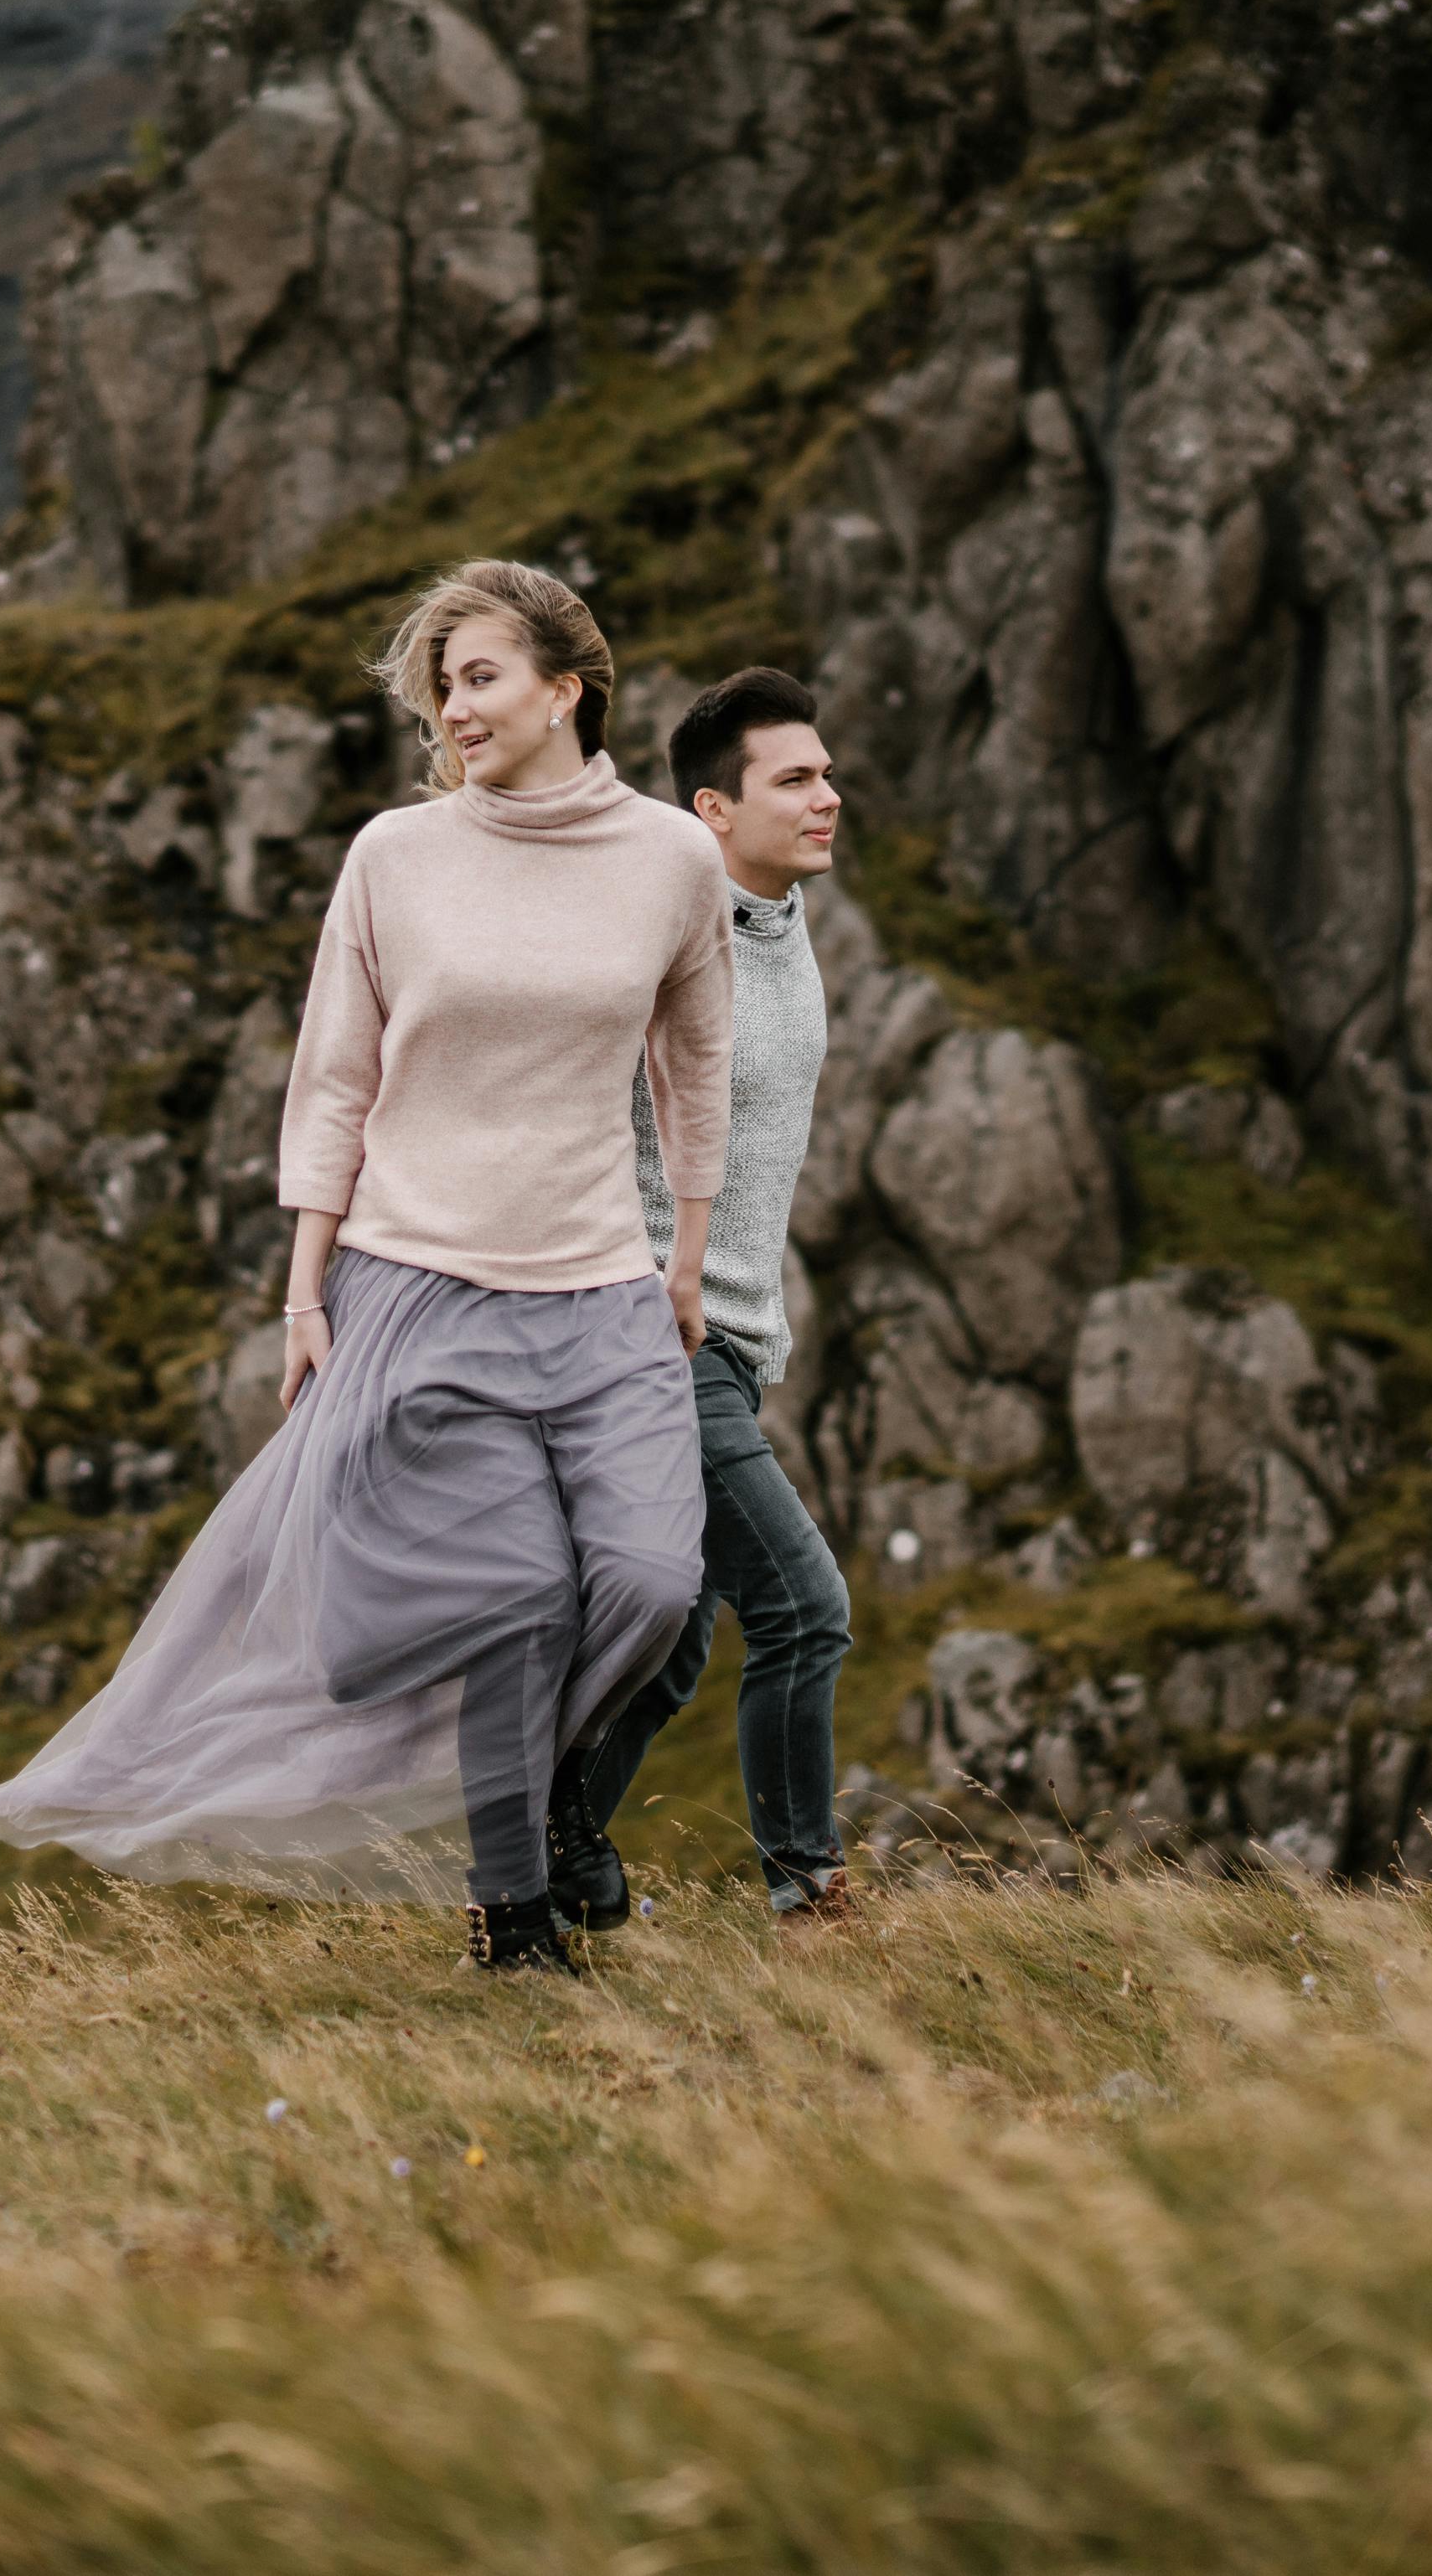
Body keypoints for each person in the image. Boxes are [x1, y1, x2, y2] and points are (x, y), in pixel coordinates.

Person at [0, 558, 735, 1975]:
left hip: (607, 1290)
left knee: (646, 1584)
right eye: (443, 687)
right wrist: (305, 1294)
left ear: (568, 688)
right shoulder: (397, 855)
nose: (455, 706)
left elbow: (693, 1064)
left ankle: (550, 1811)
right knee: (515, 1600)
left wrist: (687, 1255)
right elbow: (333, 1079)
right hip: (422, 1286)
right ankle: (515, 1922)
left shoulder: (673, 862)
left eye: (482, 675)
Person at [547, 669, 856, 1926]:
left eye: (828, 772)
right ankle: (810, 1889)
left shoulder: (784, 926)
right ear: (712, 811)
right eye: (797, 779)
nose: (829, 796)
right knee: (801, 1607)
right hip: (651, 1333)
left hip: (730, 1343)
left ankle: (546, 1869)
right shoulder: (661, 936)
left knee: (670, 1645)